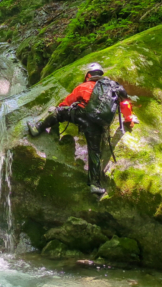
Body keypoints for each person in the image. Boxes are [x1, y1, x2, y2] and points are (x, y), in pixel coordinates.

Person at [28, 63, 133, 196]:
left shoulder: (84, 86)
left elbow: (66, 103)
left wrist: (59, 110)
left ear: (89, 75)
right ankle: (95, 184)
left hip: (82, 115)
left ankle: (37, 129)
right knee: (94, 150)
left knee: (59, 112)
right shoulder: (113, 88)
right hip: (98, 125)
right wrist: (129, 119)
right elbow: (125, 103)